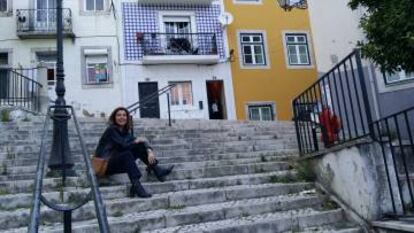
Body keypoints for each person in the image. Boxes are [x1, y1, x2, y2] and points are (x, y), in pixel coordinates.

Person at [95, 107, 174, 198]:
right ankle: (137, 186)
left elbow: (141, 142)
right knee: (127, 154)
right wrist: (136, 141)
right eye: (119, 115)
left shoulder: (125, 132)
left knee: (139, 146)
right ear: (114, 118)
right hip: (105, 165)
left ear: (127, 118)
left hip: (119, 162)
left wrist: (149, 150)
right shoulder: (111, 130)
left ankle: (156, 169)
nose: (122, 117)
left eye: (124, 115)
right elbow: (123, 145)